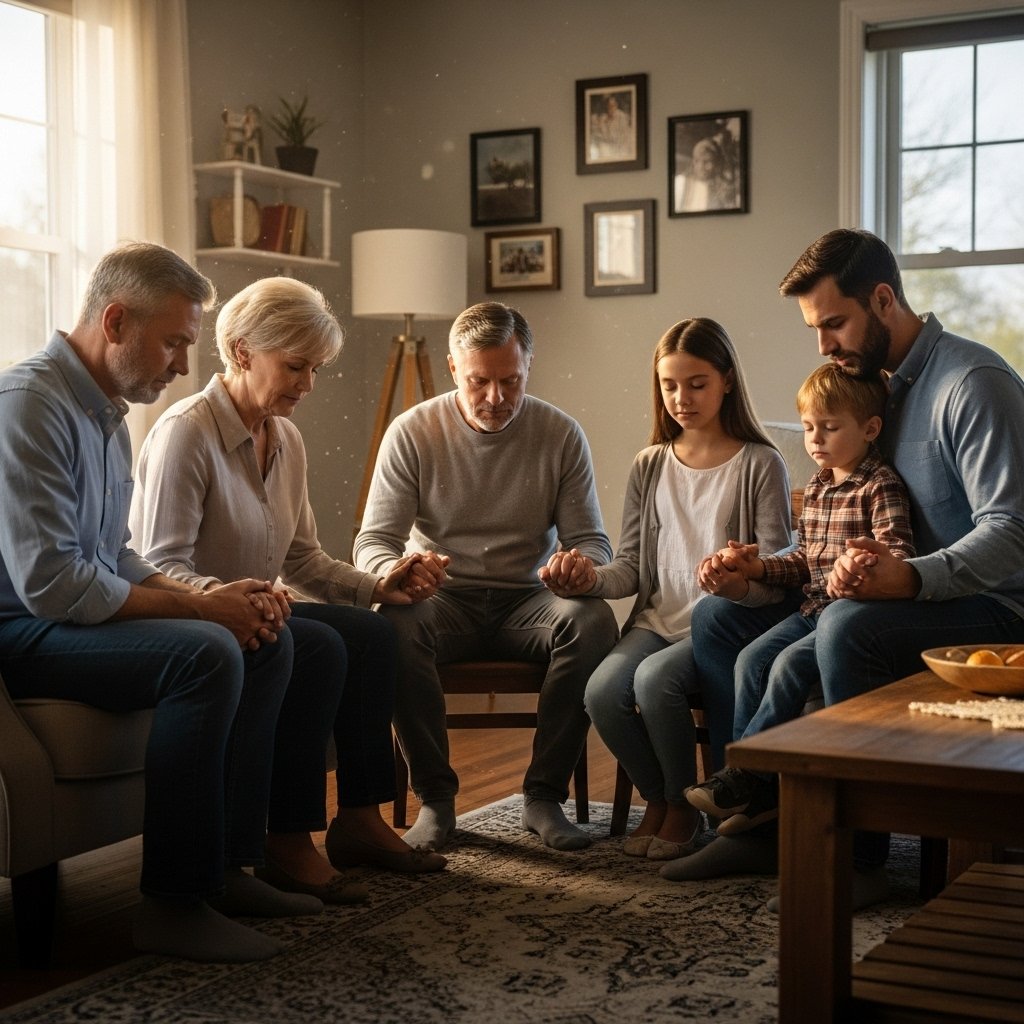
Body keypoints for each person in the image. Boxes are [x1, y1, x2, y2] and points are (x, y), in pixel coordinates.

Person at [682, 227, 1024, 907]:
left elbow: (1013, 530)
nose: (823, 344)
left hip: (994, 605)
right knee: (721, 617)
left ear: (884, 299)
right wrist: (757, 569)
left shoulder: (972, 383)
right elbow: (832, 532)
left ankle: (860, 854)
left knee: (847, 629)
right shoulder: (873, 388)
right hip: (886, 586)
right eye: (815, 327)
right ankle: (755, 815)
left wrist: (912, 577)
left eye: (834, 322)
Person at [0, 242, 319, 964]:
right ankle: (172, 905)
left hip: (65, 617)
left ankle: (229, 871)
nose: (182, 364)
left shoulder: (104, 414)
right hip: (22, 631)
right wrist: (203, 614)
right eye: (174, 341)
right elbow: (54, 585)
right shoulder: (28, 408)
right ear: (114, 320)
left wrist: (210, 593)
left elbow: (118, 556)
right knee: (205, 655)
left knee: (266, 638)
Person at [130, 277, 447, 893]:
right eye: (296, 366)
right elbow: (158, 562)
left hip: (264, 608)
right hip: (194, 617)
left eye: (315, 369)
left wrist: (380, 584)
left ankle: (359, 818)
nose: (307, 385)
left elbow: (301, 559)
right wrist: (238, 598)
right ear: (243, 352)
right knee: (322, 645)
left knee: (370, 634)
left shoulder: (287, 437)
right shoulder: (186, 434)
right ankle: (288, 839)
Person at [353, 301, 618, 853]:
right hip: (442, 598)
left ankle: (544, 797)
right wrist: (397, 572)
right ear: (453, 369)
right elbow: (372, 543)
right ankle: (436, 800)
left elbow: (592, 541)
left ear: (528, 368)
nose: (495, 398)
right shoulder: (412, 433)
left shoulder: (560, 434)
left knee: (591, 620)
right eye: (479, 381)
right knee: (393, 625)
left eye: (510, 381)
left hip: (531, 600)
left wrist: (579, 567)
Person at [572, 318, 792, 862]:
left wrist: (739, 583)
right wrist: (589, 578)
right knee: (601, 692)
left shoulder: (760, 463)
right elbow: (628, 567)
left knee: (654, 682)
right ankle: (669, 801)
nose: (681, 398)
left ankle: (679, 806)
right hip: (655, 620)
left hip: (718, 627)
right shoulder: (649, 465)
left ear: (727, 382)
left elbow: (783, 575)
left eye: (696, 383)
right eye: (669, 385)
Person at [681, 363, 914, 848]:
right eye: (809, 427)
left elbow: (901, 555)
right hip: (809, 611)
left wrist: (867, 564)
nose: (815, 440)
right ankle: (750, 790)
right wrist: (756, 569)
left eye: (829, 428)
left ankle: (747, 776)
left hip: (850, 618)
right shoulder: (820, 487)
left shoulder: (881, 485)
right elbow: (804, 559)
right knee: (751, 660)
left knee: (786, 666)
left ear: (870, 428)